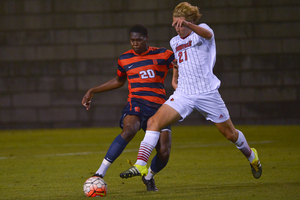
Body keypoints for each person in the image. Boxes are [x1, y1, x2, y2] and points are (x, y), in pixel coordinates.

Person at [120, 2, 262, 181]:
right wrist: (174, 79)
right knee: (153, 122)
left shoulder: (202, 31)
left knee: (230, 134)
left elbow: (208, 34)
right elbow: (180, 62)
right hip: (184, 93)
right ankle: (140, 165)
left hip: (207, 93)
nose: (177, 28)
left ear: (189, 22)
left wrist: (187, 24)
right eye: (175, 24)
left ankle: (251, 156)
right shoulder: (174, 41)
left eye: (180, 24)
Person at [82, 24, 175, 191]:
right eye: (132, 40)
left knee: (164, 152)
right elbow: (119, 80)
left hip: (160, 108)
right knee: (129, 129)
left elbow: (180, 65)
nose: (134, 43)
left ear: (146, 39)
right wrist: (92, 90)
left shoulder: (163, 54)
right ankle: (99, 173)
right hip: (136, 103)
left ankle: (148, 176)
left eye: (138, 40)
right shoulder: (124, 59)